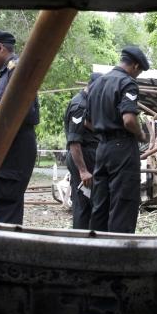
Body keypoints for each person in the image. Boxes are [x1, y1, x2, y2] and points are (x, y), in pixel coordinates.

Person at [85, 46, 149, 233]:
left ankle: (97, 251)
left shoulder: (97, 84)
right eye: (139, 72)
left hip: (102, 148)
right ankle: (120, 253)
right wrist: (140, 135)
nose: (137, 76)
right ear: (135, 66)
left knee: (100, 204)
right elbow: (129, 120)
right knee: (123, 203)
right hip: (122, 149)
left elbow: (88, 122)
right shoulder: (127, 83)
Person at [0, 30, 39, 224]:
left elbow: (20, 115)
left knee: (2, 212)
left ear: (0, 48)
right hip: (7, 151)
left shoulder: (17, 71)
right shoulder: (8, 73)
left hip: (14, 151)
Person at [64, 72, 102, 229]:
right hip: (82, 159)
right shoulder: (79, 106)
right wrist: (83, 170)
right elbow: (74, 141)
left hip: (89, 157)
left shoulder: (89, 102)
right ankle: (80, 241)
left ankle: (89, 239)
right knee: (83, 206)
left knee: (90, 204)